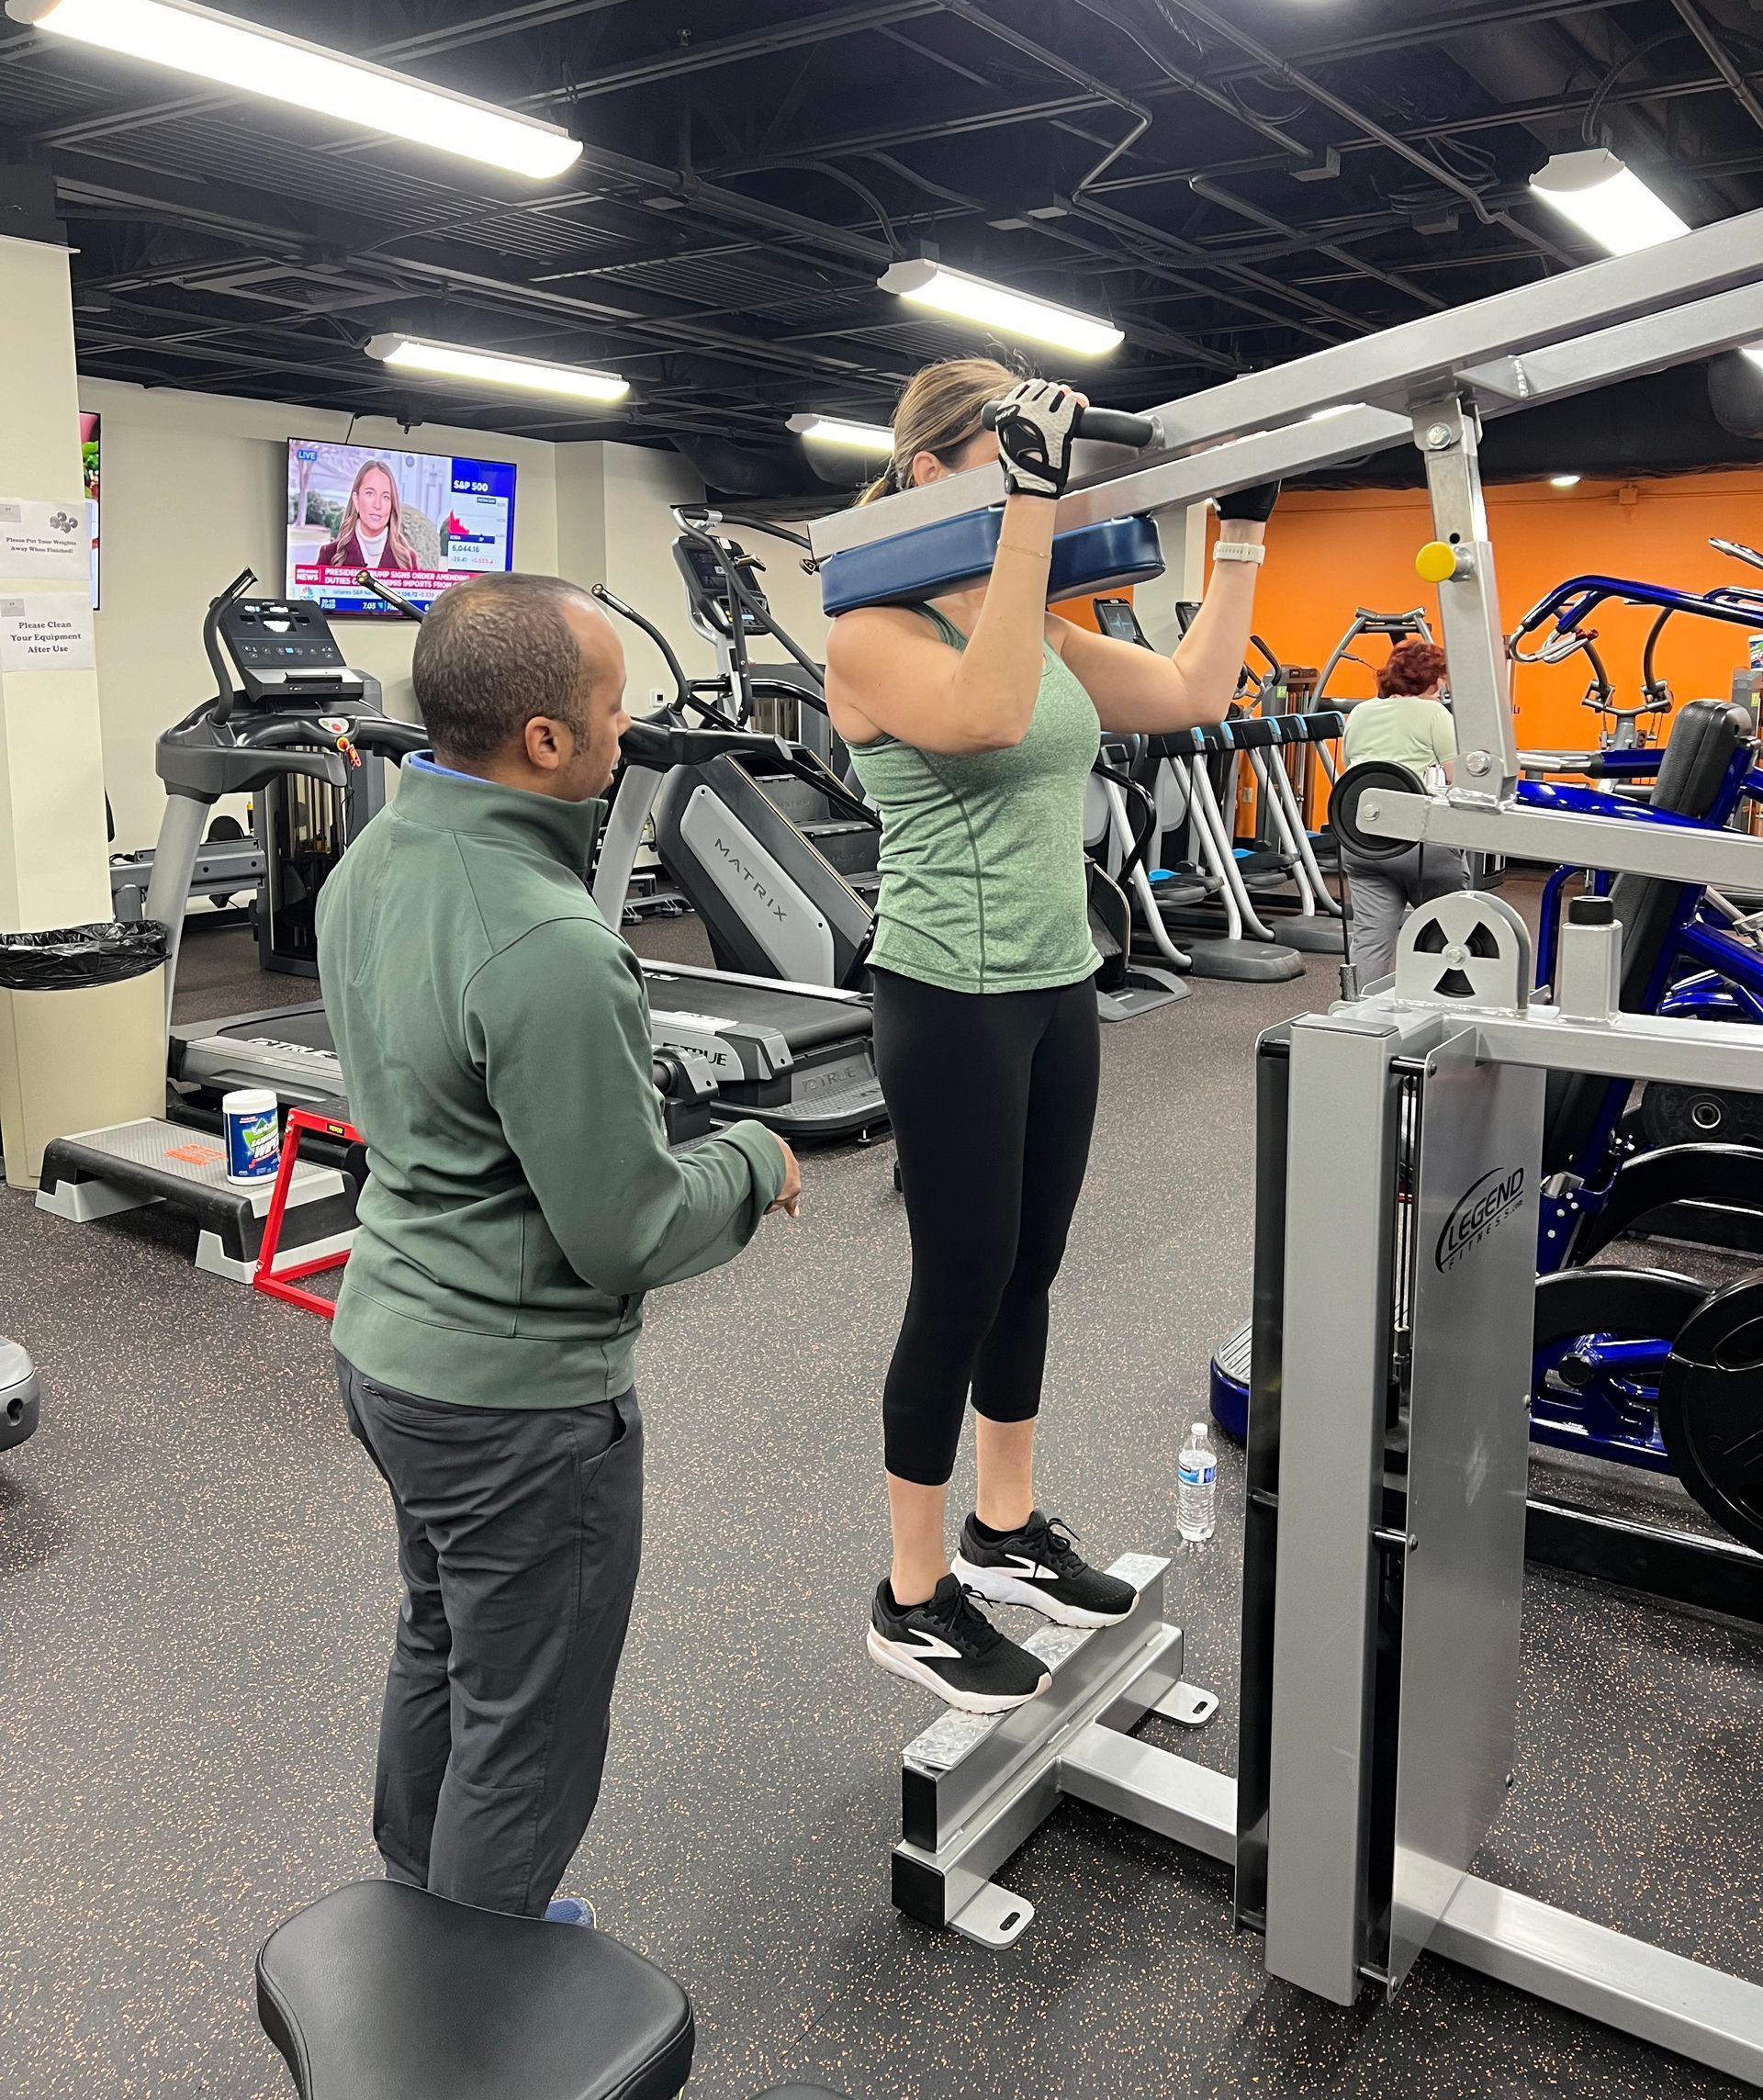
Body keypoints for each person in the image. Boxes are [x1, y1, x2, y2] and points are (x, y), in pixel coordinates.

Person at [317, 574, 801, 1923]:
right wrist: (754, 1163)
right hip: (514, 1409)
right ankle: (477, 1991)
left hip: (388, 1355)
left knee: (445, 1637)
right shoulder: (551, 942)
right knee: (526, 1726)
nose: (624, 723)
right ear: (544, 741)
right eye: (608, 705)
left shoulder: (374, 863)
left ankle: (423, 1913)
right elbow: (625, 1229)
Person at [824, 359, 1280, 1715]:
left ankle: (1004, 1527)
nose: (1049, 483)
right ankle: (909, 1598)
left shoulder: (1041, 617)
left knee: (1034, 1266)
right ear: (928, 473)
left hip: (1055, 988)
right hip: (946, 999)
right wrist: (1028, 504)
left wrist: (1244, 527)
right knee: (957, 1284)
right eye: (1017, 457)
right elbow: (989, 714)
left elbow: (1197, 691)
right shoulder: (873, 629)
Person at [1338, 637, 1468, 989]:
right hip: (1420, 846)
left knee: (1369, 939)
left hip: (1362, 843)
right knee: (1450, 932)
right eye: (1441, 677)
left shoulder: (1361, 712)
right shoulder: (1435, 714)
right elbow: (1461, 780)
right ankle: (1443, 1004)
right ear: (1432, 680)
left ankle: (1358, 1015)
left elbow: (1355, 774)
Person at [317, 458, 421, 577]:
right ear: (356, 500)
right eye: (370, 493)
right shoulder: (330, 555)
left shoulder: (408, 559)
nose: (377, 505)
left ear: (392, 505)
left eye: (386, 497)